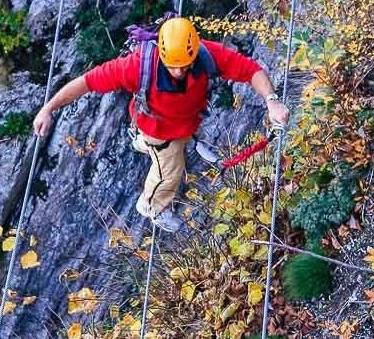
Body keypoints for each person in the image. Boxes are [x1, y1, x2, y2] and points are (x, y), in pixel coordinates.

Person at [33, 16, 290, 232]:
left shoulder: (206, 55)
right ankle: (151, 206)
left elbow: (249, 70)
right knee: (169, 173)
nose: (178, 72)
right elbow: (87, 82)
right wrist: (48, 108)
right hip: (159, 131)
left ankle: (164, 143)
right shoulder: (136, 68)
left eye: (184, 66)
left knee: (180, 148)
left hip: (185, 121)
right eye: (173, 66)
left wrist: (272, 101)